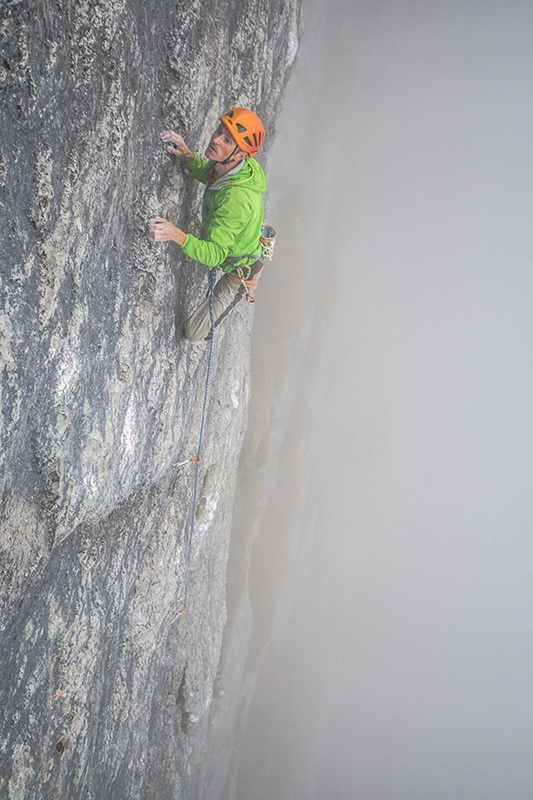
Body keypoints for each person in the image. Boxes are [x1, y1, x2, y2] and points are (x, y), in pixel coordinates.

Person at [147, 108, 267, 343]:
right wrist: (190, 157)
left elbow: (215, 255)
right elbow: (212, 176)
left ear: (241, 154)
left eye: (227, 140)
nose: (215, 139)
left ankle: (212, 326)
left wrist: (176, 234)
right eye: (219, 131)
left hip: (240, 269)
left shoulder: (236, 198)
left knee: (193, 333)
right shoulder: (231, 167)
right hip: (234, 240)